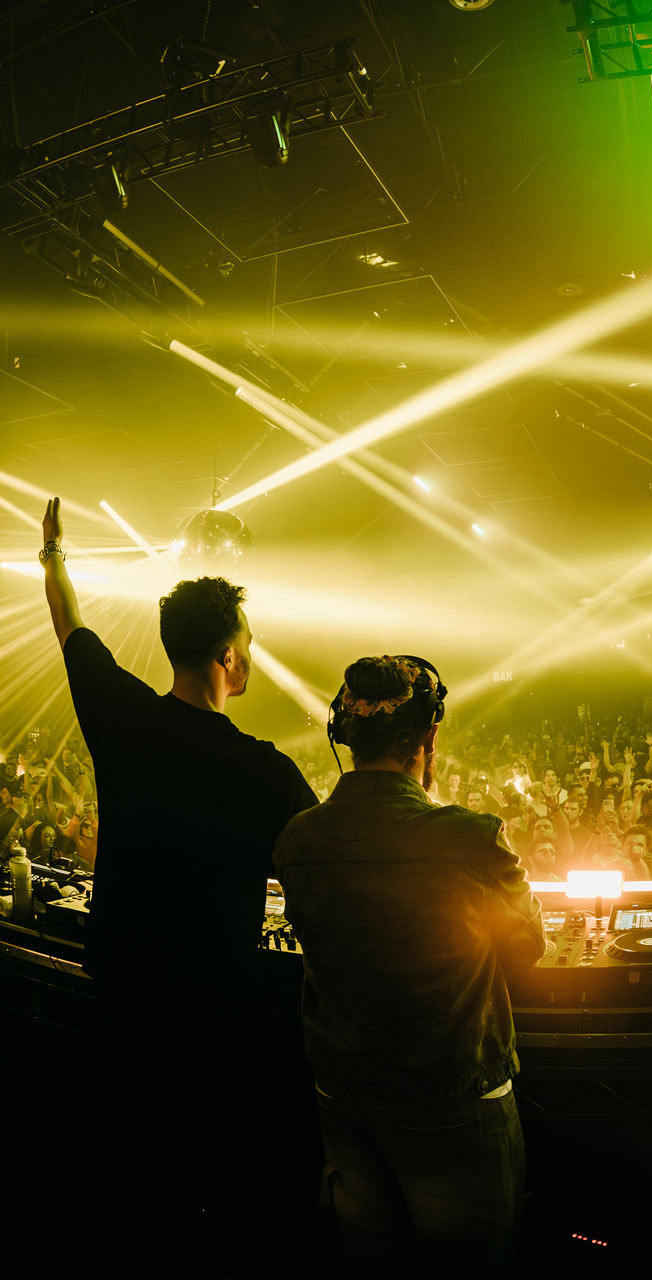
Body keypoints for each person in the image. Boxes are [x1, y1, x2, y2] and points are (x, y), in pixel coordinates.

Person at [40, 497, 320, 1269]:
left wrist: (53, 557)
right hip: (215, 1014)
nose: (251, 654)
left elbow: (70, 629)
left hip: (122, 994)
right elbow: (328, 864)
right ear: (228, 657)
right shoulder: (264, 772)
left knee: (131, 1182)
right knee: (211, 1194)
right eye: (248, 644)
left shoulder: (122, 717)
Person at [274, 653, 545, 1275]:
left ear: (343, 735)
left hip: (342, 1096)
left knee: (369, 1259)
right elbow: (527, 951)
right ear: (430, 737)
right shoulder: (471, 838)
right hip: (453, 1103)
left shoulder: (297, 838)